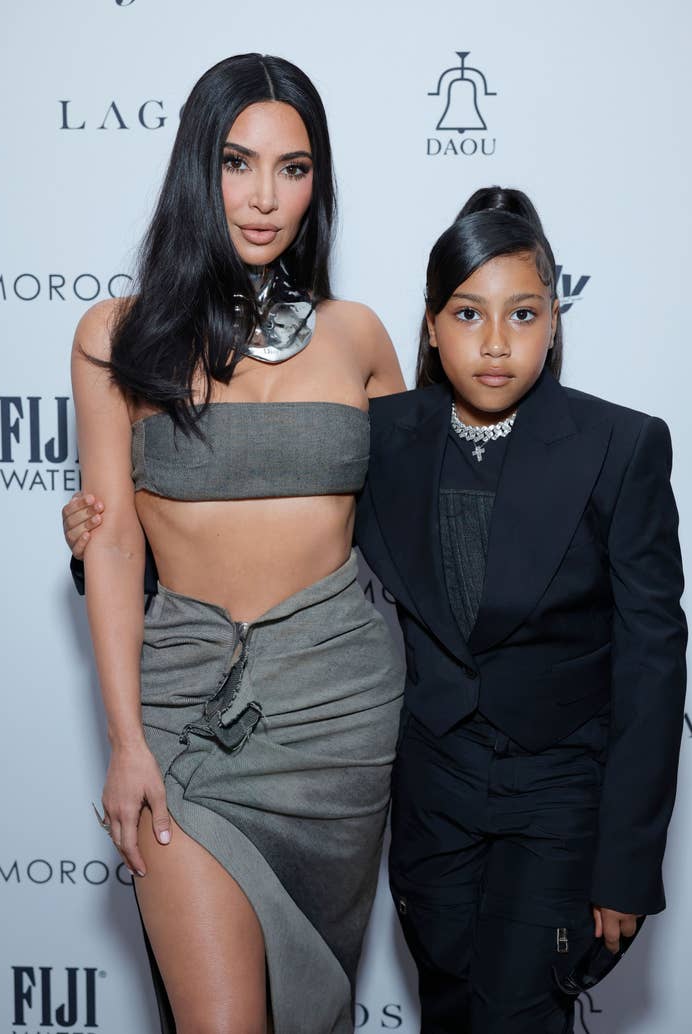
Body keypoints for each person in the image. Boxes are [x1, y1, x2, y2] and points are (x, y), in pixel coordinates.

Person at [68, 52, 405, 1034]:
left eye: (293, 168)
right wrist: (127, 743)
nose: (265, 197)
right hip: (182, 721)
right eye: (237, 162)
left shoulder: (359, 337)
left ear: (318, 183)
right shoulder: (116, 338)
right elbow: (118, 544)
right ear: (194, 169)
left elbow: (428, 525)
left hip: (340, 716)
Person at [352, 190, 687, 1032]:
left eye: (523, 314)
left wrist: (626, 866)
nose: (496, 342)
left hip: (561, 798)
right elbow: (270, 533)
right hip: (432, 798)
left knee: (519, 1017)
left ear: (553, 322)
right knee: (451, 1011)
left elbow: (653, 665)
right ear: (430, 325)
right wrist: (114, 553)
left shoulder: (621, 446)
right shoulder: (381, 437)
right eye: (468, 313)